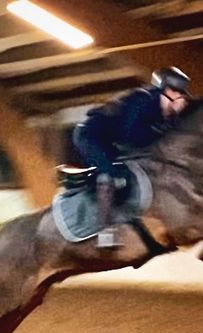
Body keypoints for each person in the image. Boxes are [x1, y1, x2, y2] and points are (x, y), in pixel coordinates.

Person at [72, 66, 191, 247]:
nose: (180, 99)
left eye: (181, 94)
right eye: (175, 92)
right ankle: (105, 233)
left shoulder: (160, 109)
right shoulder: (145, 102)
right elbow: (132, 135)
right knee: (112, 176)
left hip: (109, 140)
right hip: (90, 136)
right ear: (163, 91)